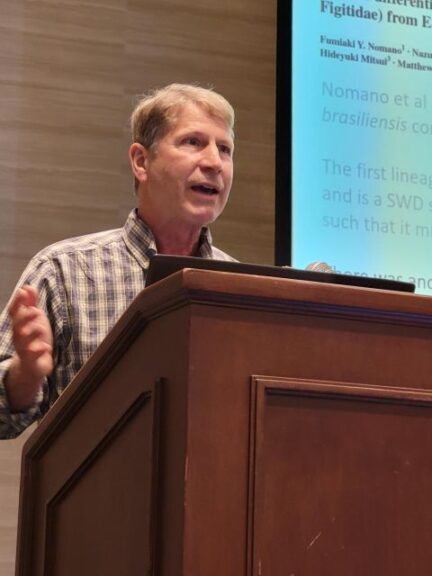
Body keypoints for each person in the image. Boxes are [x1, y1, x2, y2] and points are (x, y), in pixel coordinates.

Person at [0, 83, 236, 439]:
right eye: (193, 142)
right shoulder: (64, 270)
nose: (214, 162)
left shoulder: (239, 287)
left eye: (225, 149)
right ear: (141, 161)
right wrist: (26, 374)